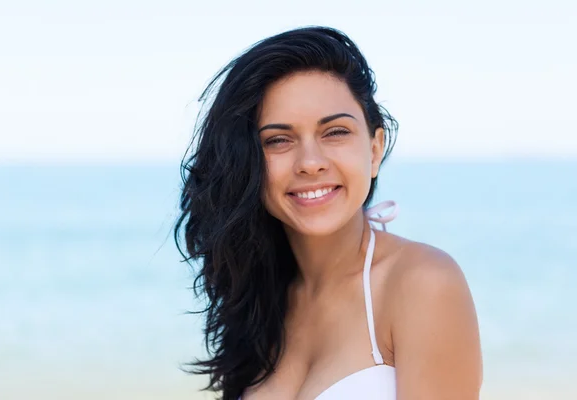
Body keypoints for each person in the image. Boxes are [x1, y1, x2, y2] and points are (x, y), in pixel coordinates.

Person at [175, 26, 482, 400]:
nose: (310, 163)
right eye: (278, 140)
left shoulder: (422, 282)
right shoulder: (261, 296)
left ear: (374, 150)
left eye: (335, 132)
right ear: (247, 162)